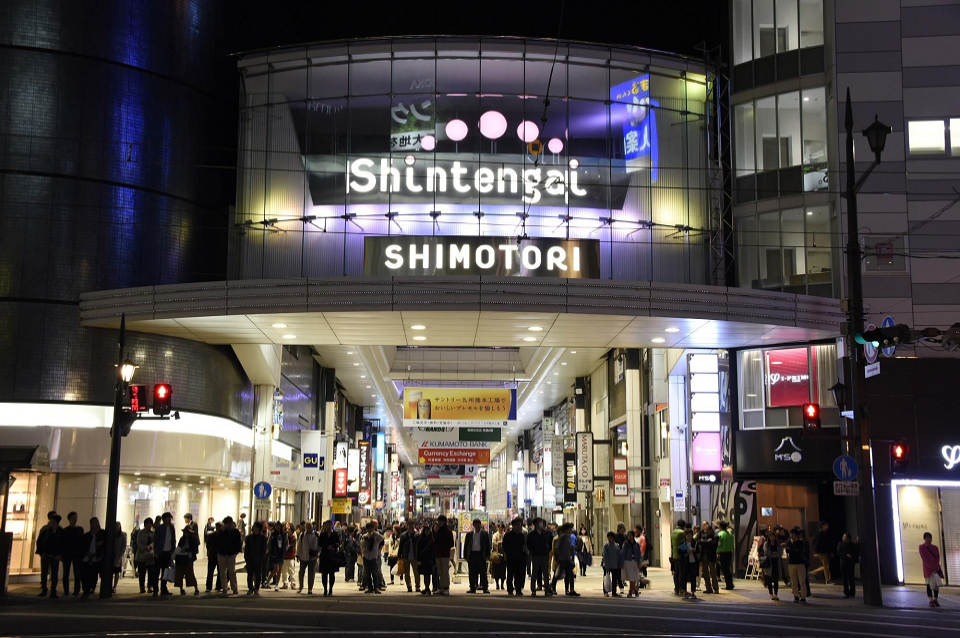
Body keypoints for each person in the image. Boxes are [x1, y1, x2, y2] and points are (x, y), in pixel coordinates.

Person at [35, 511, 62, 599]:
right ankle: (44, 589)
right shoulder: (45, 530)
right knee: (44, 573)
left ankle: (53, 591)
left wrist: (59, 554)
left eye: (53, 521)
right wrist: (41, 553)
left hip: (55, 556)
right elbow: (39, 541)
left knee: (54, 574)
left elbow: (63, 544)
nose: (52, 523)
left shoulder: (60, 531)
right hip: (45, 555)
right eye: (51, 521)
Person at [550, 523, 579, 596]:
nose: (571, 530)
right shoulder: (563, 537)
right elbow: (557, 547)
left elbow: (568, 546)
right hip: (563, 559)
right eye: (570, 528)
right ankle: (551, 586)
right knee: (559, 574)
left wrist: (573, 548)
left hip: (567, 558)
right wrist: (558, 557)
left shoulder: (568, 536)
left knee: (570, 574)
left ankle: (571, 589)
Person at [59, 512, 84, 597]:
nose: (75, 519)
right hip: (67, 554)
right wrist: (61, 554)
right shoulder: (65, 530)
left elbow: (81, 542)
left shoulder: (79, 529)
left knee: (77, 572)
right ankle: (66, 591)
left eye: (76, 517)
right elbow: (62, 543)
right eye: (73, 517)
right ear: (69, 519)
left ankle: (76, 590)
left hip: (76, 554)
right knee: (66, 573)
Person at [463, 518, 491, 594]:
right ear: (473, 525)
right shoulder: (469, 534)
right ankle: (472, 587)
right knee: (472, 572)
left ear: (480, 525)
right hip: (472, 554)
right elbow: (466, 545)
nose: (477, 526)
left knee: (483, 572)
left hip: (481, 555)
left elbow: (488, 545)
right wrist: (465, 555)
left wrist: (488, 554)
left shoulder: (484, 534)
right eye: (476, 524)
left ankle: (485, 588)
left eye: (478, 524)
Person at [80, 517, 105, 598]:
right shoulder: (87, 536)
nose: (96, 524)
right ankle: (86, 590)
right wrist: (87, 553)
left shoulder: (102, 534)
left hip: (97, 557)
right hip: (87, 557)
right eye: (94, 522)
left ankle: (92, 588)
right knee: (85, 574)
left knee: (94, 574)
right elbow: (82, 546)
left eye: (97, 522)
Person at [153, 512, 177, 597]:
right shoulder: (159, 528)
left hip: (168, 552)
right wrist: (155, 552)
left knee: (165, 572)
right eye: (168, 518)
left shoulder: (171, 527)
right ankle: (155, 589)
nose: (169, 520)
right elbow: (156, 540)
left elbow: (173, 539)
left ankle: (163, 588)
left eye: (170, 518)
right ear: (164, 519)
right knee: (156, 572)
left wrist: (173, 550)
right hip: (160, 552)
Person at [174, 520, 200, 595]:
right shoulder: (182, 539)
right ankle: (181, 588)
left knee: (190, 574)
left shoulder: (193, 539)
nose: (186, 534)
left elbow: (195, 550)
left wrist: (186, 549)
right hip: (181, 558)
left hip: (189, 558)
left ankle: (196, 588)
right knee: (180, 574)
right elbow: (179, 547)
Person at [217, 516, 242, 595]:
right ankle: (224, 588)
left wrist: (236, 552)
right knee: (222, 572)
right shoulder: (221, 532)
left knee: (232, 571)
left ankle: (234, 588)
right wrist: (222, 531)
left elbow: (238, 542)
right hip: (222, 553)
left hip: (231, 553)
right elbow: (218, 541)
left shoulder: (235, 531)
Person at [501, 517, 526, 596]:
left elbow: (522, 545)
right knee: (510, 574)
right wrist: (507, 553)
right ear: (513, 525)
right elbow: (504, 545)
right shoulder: (508, 535)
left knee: (518, 574)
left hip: (519, 557)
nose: (519, 526)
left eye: (520, 525)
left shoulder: (521, 535)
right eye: (517, 525)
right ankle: (510, 590)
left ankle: (518, 590)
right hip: (510, 557)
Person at [527, 518, 551, 595]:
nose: (541, 524)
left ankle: (547, 589)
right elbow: (529, 544)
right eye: (540, 522)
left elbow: (549, 542)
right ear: (536, 524)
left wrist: (547, 549)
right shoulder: (531, 534)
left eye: (542, 522)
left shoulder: (546, 533)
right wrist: (532, 550)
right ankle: (533, 589)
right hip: (536, 555)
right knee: (535, 571)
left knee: (545, 572)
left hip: (544, 554)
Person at [318, 520, 341, 596]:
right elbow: (320, 543)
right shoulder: (322, 534)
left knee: (332, 573)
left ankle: (331, 589)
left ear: (332, 526)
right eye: (327, 525)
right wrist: (326, 546)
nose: (328, 527)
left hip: (332, 556)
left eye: (329, 525)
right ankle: (325, 589)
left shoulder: (335, 534)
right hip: (324, 555)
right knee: (324, 574)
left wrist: (333, 546)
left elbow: (338, 543)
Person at [919, 532, 942, 608]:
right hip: (928, 569)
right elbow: (924, 558)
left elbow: (937, 557)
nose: (929, 539)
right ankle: (931, 600)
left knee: (936, 584)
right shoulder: (922, 547)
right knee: (928, 584)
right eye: (927, 537)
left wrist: (935, 566)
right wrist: (931, 567)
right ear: (924, 538)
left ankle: (936, 599)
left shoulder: (935, 547)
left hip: (935, 568)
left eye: (930, 537)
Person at [785, 527, 808, 603]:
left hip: (800, 563)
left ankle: (803, 596)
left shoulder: (801, 543)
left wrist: (792, 550)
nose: (791, 535)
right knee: (793, 581)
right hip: (791, 563)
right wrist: (794, 550)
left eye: (793, 534)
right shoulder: (788, 543)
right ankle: (796, 596)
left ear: (797, 535)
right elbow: (787, 551)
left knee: (802, 581)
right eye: (791, 534)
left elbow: (799, 552)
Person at [433, 515, 454, 596]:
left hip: (445, 554)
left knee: (445, 571)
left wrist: (444, 546)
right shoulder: (438, 531)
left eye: (440, 521)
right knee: (440, 572)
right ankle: (441, 587)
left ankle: (446, 588)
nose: (439, 523)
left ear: (444, 522)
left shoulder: (448, 531)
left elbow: (451, 543)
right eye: (438, 521)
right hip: (438, 554)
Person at [244, 522, 266, 596]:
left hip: (258, 559)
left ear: (258, 528)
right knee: (250, 574)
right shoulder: (249, 537)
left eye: (254, 526)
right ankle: (250, 588)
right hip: (250, 559)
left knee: (258, 575)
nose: (253, 528)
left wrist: (262, 558)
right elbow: (246, 549)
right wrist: (246, 557)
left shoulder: (262, 538)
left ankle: (256, 589)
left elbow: (264, 549)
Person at [361, 521, 384, 594]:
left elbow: (382, 538)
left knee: (375, 573)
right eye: (368, 528)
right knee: (367, 573)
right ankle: (370, 588)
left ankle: (376, 587)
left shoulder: (376, 535)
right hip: (366, 556)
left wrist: (375, 534)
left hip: (374, 557)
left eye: (371, 528)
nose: (370, 530)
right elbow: (362, 545)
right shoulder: (364, 536)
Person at [296, 521, 319, 594]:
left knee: (311, 573)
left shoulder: (316, 534)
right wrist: (298, 555)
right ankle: (301, 586)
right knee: (301, 572)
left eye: (309, 526)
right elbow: (299, 545)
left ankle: (310, 588)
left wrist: (317, 553)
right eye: (307, 526)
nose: (308, 528)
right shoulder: (302, 535)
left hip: (312, 557)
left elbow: (319, 545)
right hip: (303, 556)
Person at [398, 519, 420, 592]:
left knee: (416, 572)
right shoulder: (403, 535)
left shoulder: (417, 535)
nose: (410, 526)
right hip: (405, 556)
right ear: (407, 526)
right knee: (406, 573)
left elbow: (420, 546)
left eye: (412, 525)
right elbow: (400, 546)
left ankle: (417, 586)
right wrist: (399, 556)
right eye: (409, 525)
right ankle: (409, 586)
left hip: (415, 556)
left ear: (414, 526)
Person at [135, 517, 156, 594]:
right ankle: (142, 587)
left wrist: (151, 547)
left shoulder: (153, 533)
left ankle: (150, 586)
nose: (149, 525)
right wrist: (144, 548)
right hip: (142, 555)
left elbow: (155, 542)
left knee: (151, 572)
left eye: (150, 524)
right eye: (148, 524)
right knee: (142, 572)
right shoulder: (141, 532)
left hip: (150, 555)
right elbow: (138, 542)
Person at [267, 520, 287, 591]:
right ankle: (268, 580)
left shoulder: (284, 534)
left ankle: (277, 584)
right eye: (276, 526)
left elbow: (286, 543)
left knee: (279, 570)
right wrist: (270, 551)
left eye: (279, 526)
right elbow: (269, 543)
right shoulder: (273, 534)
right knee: (276, 569)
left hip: (281, 553)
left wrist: (284, 551)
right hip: (274, 553)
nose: (278, 527)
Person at [699, 523, 719, 594]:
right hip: (704, 556)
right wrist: (707, 541)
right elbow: (699, 541)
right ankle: (708, 588)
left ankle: (716, 588)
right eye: (705, 530)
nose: (706, 531)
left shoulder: (715, 537)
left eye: (707, 530)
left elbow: (713, 545)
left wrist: (705, 543)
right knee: (705, 572)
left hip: (711, 556)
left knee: (713, 572)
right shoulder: (704, 536)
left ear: (710, 530)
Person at [761, 532, 782, 601]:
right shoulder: (766, 544)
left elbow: (780, 553)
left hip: (776, 563)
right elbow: (767, 552)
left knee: (776, 579)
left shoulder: (777, 545)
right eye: (771, 536)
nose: (772, 538)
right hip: (769, 564)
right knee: (769, 579)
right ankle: (771, 594)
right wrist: (775, 554)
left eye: (773, 536)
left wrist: (772, 554)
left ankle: (776, 594)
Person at [837, 533, 858, 598]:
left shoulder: (853, 545)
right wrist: (846, 555)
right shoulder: (840, 544)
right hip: (843, 562)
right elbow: (838, 552)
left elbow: (856, 553)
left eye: (845, 537)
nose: (843, 538)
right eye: (843, 537)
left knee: (851, 577)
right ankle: (846, 592)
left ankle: (852, 592)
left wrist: (853, 558)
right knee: (844, 578)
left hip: (850, 563)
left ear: (848, 539)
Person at [679, 528, 699, 600]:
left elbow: (698, 551)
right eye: (688, 535)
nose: (689, 537)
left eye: (690, 535)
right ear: (685, 535)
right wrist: (686, 552)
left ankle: (693, 592)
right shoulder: (682, 543)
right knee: (684, 576)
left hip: (693, 561)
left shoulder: (695, 542)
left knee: (693, 576)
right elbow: (679, 552)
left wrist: (694, 550)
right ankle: (684, 591)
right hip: (685, 562)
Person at [622, 530, 642, 598]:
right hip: (628, 561)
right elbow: (623, 553)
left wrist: (639, 562)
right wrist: (622, 562)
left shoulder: (636, 544)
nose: (629, 537)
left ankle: (634, 590)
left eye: (631, 535)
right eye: (628, 535)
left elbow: (639, 554)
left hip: (635, 561)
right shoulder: (625, 544)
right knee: (631, 577)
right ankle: (632, 590)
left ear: (633, 536)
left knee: (634, 577)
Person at [602, 531, 622, 597]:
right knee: (606, 578)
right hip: (607, 565)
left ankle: (614, 592)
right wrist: (606, 565)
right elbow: (605, 556)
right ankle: (605, 591)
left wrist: (620, 563)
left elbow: (619, 555)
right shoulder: (606, 546)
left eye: (610, 537)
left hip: (615, 565)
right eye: (608, 537)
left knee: (614, 579)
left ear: (613, 538)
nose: (609, 539)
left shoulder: (617, 546)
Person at [670, 519, 687, 596]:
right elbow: (685, 542)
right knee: (681, 572)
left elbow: (672, 543)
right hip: (681, 554)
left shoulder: (673, 532)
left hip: (674, 553)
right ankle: (681, 588)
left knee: (676, 572)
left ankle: (676, 588)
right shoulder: (682, 532)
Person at [417, 524, 435, 596]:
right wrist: (418, 560)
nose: (427, 532)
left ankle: (427, 588)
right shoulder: (420, 540)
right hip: (423, 559)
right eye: (426, 531)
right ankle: (427, 587)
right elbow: (418, 550)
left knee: (428, 574)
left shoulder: (431, 540)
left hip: (429, 559)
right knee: (425, 574)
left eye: (428, 531)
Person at [717, 521, 735, 590]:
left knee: (725, 569)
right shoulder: (730, 534)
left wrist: (717, 551)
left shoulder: (720, 534)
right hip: (729, 552)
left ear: (720, 527)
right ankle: (730, 583)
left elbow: (718, 544)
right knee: (727, 569)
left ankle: (728, 585)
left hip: (723, 553)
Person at [205, 522, 222, 592]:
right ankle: (218, 586)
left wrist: (209, 550)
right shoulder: (222, 536)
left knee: (210, 571)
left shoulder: (211, 535)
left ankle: (209, 587)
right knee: (219, 571)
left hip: (212, 554)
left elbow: (207, 545)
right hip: (219, 554)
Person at [112, 521, 127, 593]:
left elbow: (123, 546)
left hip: (118, 556)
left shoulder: (122, 535)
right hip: (111, 555)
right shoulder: (111, 534)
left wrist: (120, 554)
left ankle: (114, 586)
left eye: (118, 526)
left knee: (116, 572)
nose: (116, 527)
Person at [491, 522, 507, 590]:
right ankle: (497, 584)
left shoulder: (505, 535)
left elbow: (506, 543)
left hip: (504, 555)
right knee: (496, 570)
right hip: (497, 554)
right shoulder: (495, 535)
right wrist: (498, 543)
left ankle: (502, 584)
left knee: (503, 570)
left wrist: (501, 542)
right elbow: (493, 542)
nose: (500, 529)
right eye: (499, 527)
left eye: (502, 527)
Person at [282, 523, 297, 589]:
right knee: (284, 571)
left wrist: (287, 547)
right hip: (285, 556)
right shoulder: (285, 537)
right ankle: (285, 583)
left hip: (291, 556)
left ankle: (293, 584)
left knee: (291, 571)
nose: (287, 531)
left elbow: (291, 547)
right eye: (287, 529)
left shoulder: (293, 538)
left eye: (289, 529)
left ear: (292, 531)